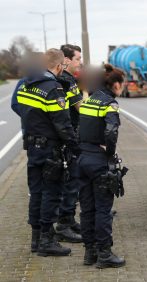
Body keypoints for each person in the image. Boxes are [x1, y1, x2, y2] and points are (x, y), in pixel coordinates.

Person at [17, 48, 78, 256]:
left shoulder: (26, 85)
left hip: (32, 147)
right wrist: (75, 146)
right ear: (60, 66)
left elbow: (20, 109)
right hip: (50, 150)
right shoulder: (53, 89)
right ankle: (46, 240)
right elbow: (63, 124)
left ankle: (36, 239)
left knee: (36, 193)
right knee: (51, 194)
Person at [77, 64, 126, 268]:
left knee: (87, 209)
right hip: (98, 161)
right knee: (103, 210)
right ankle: (105, 254)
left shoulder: (89, 101)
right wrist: (108, 151)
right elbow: (111, 131)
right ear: (116, 85)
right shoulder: (109, 103)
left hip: (82, 160)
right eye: (122, 85)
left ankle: (90, 253)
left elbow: (80, 129)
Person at [53, 44, 84, 243]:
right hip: (69, 137)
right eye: (77, 59)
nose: (80, 62)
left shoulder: (59, 78)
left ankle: (69, 220)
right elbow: (81, 107)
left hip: (63, 136)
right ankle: (64, 224)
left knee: (70, 180)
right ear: (66, 60)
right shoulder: (66, 80)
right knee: (71, 181)